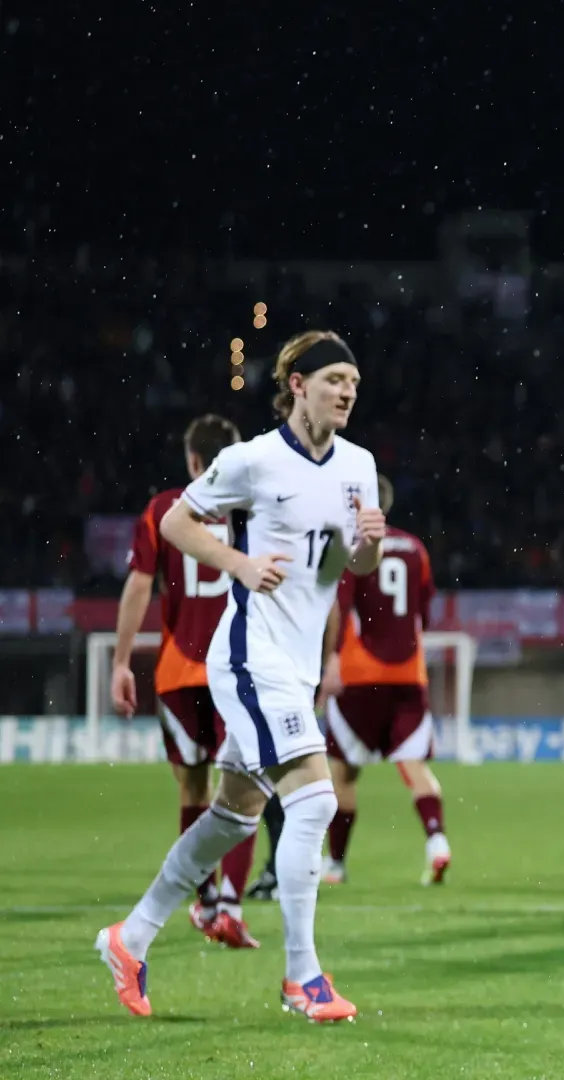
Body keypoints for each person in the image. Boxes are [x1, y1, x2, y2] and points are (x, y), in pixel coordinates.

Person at [95, 331, 383, 1024]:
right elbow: (175, 523)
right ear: (298, 386)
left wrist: (367, 546)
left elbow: (356, 568)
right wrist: (241, 564)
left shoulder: (359, 465)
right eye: (334, 379)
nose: (346, 392)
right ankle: (302, 979)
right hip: (251, 659)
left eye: (353, 382)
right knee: (313, 802)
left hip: (295, 664)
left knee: (231, 817)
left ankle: (128, 938)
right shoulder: (252, 460)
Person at [110, 414, 263, 949]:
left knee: (193, 786)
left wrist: (121, 661)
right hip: (240, 669)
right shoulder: (252, 506)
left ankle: (203, 901)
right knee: (245, 790)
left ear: (194, 462)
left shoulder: (164, 510)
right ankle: (232, 904)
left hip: (180, 672)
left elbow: (138, 586)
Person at [318, 474, 450, 887]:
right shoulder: (416, 548)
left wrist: (331, 659)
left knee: (343, 773)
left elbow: (337, 608)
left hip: (358, 675)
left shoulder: (350, 548)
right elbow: (424, 612)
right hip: (408, 674)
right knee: (413, 764)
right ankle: (436, 841)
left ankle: (336, 865)